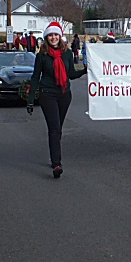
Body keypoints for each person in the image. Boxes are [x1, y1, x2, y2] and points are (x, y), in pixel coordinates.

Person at [27, 22, 87, 179]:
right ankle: (56, 163)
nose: (53, 38)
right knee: (54, 128)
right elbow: (35, 77)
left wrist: (85, 70)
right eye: (50, 35)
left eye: (56, 35)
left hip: (64, 94)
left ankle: (54, 154)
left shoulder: (67, 54)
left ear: (60, 36)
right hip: (47, 94)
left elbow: (71, 74)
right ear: (46, 38)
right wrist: (31, 98)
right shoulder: (42, 55)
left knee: (58, 128)